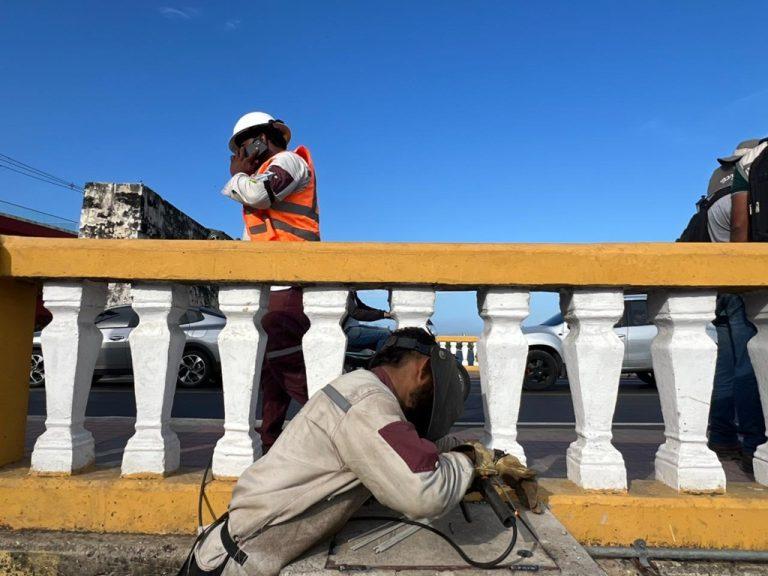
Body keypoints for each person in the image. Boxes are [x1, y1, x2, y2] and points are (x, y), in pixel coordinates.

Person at [182, 327, 540, 576]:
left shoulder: (362, 391)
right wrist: (469, 460)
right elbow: (424, 492)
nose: (425, 403)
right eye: (431, 390)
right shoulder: (368, 405)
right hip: (236, 563)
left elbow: (413, 448)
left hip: (243, 547)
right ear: (422, 369)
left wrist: (476, 453)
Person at [221, 112, 319, 452]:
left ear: (262, 136)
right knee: (271, 375)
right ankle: (270, 444)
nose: (241, 153)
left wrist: (237, 176)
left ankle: (335, 435)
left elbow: (261, 195)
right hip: (271, 286)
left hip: (289, 285)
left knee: (291, 368)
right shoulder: (262, 172)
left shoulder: (289, 162)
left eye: (243, 144)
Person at [706, 139, 767, 473]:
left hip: (722, 289)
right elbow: (741, 234)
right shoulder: (739, 200)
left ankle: (722, 435)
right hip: (742, 288)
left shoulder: (712, 202)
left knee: (727, 368)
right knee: (748, 367)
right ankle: (753, 441)